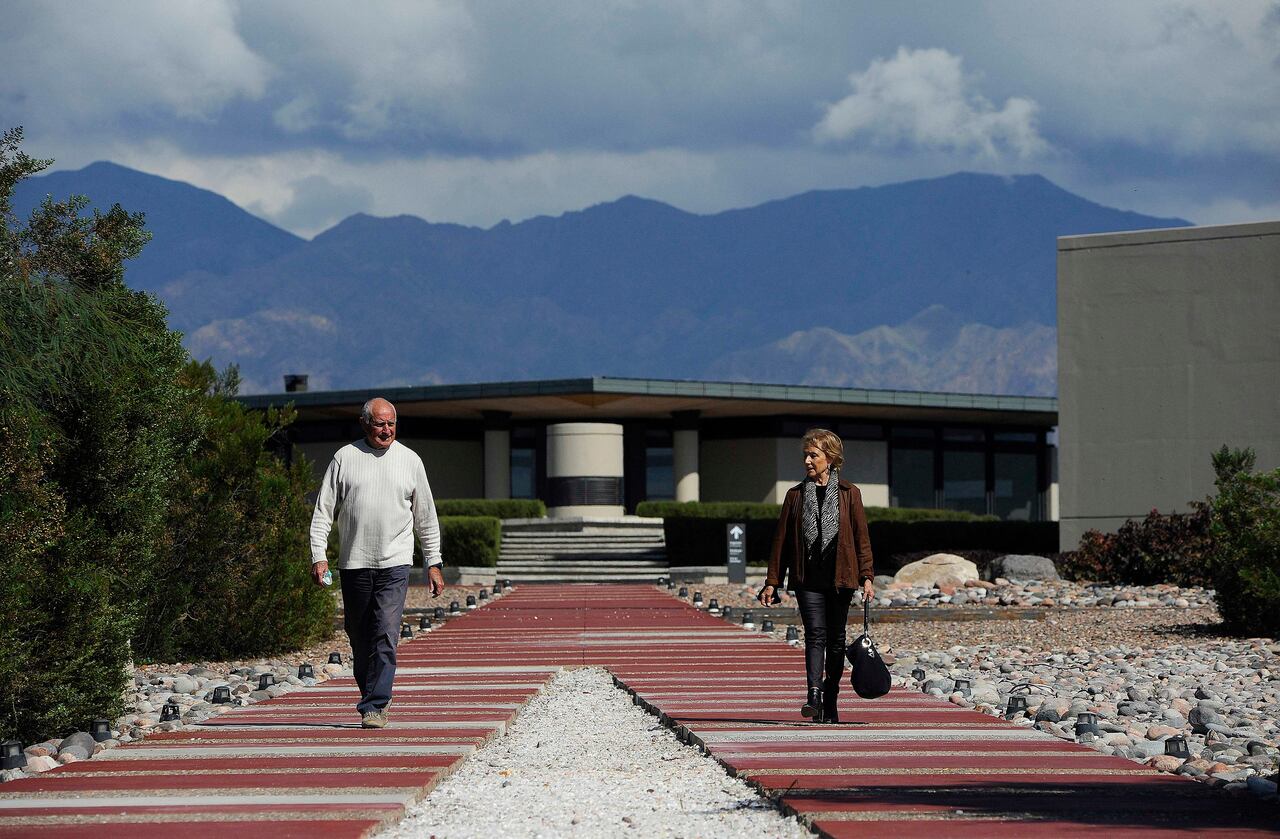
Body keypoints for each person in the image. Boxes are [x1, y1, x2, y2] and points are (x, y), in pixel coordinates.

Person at [310, 397, 445, 729]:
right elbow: (323, 512)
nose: (386, 430)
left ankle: (375, 704)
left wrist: (433, 562)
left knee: (386, 631)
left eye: (391, 423)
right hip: (354, 562)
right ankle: (372, 694)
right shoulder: (344, 458)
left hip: (395, 562)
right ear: (364, 424)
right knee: (359, 636)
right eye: (379, 424)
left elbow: (426, 517)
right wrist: (319, 556)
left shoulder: (410, 460)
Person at [759, 428, 874, 724]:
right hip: (807, 578)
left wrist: (867, 576)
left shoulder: (850, 493)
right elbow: (781, 541)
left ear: (830, 458)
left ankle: (830, 697)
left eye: (814, 455)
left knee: (836, 640)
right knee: (815, 636)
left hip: (841, 579)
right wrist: (772, 581)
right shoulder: (795, 495)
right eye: (806, 455)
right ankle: (814, 695)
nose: (807, 461)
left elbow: (861, 538)